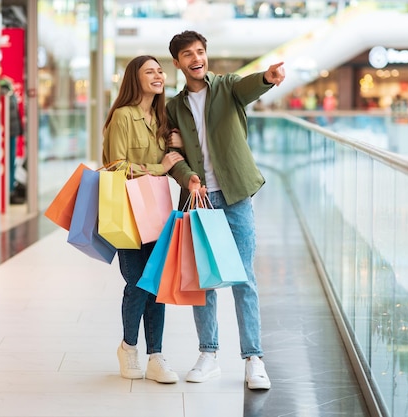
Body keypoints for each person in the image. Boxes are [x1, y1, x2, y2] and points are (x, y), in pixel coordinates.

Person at [165, 30, 286, 390]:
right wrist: (188, 179)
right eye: (187, 54)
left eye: (200, 52)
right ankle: (208, 354)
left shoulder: (227, 87)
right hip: (199, 200)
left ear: (206, 55)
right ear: (178, 62)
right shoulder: (174, 106)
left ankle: (253, 359)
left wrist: (266, 78)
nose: (196, 58)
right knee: (204, 281)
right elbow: (172, 157)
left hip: (235, 196)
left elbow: (250, 86)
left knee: (244, 278)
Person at [102, 55, 185, 384]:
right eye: (149, 71)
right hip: (129, 209)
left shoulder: (163, 118)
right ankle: (129, 348)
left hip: (158, 210)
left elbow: (175, 159)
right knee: (137, 282)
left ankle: (156, 356)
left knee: (156, 286)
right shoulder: (122, 116)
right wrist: (158, 168)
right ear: (134, 79)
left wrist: (177, 148)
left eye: (160, 70)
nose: (158, 75)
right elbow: (114, 167)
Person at [0, 79, 24, 204]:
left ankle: (11, 189)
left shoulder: (8, 94)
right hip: (9, 134)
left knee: (11, 163)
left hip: (11, 133)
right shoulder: (6, 95)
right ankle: (9, 191)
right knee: (9, 163)